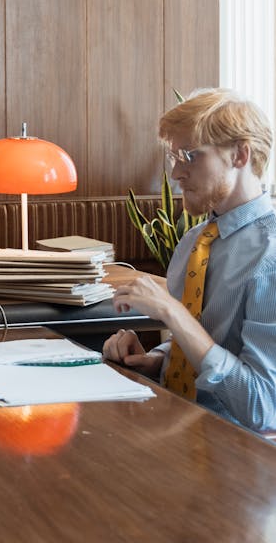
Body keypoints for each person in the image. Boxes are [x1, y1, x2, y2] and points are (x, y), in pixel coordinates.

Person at [103, 88, 276, 433]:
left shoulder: (269, 258)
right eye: (173, 156)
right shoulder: (193, 243)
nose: (176, 173)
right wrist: (159, 358)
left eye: (189, 155)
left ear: (240, 154)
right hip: (178, 430)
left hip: (239, 458)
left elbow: (263, 407)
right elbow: (206, 341)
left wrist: (173, 314)